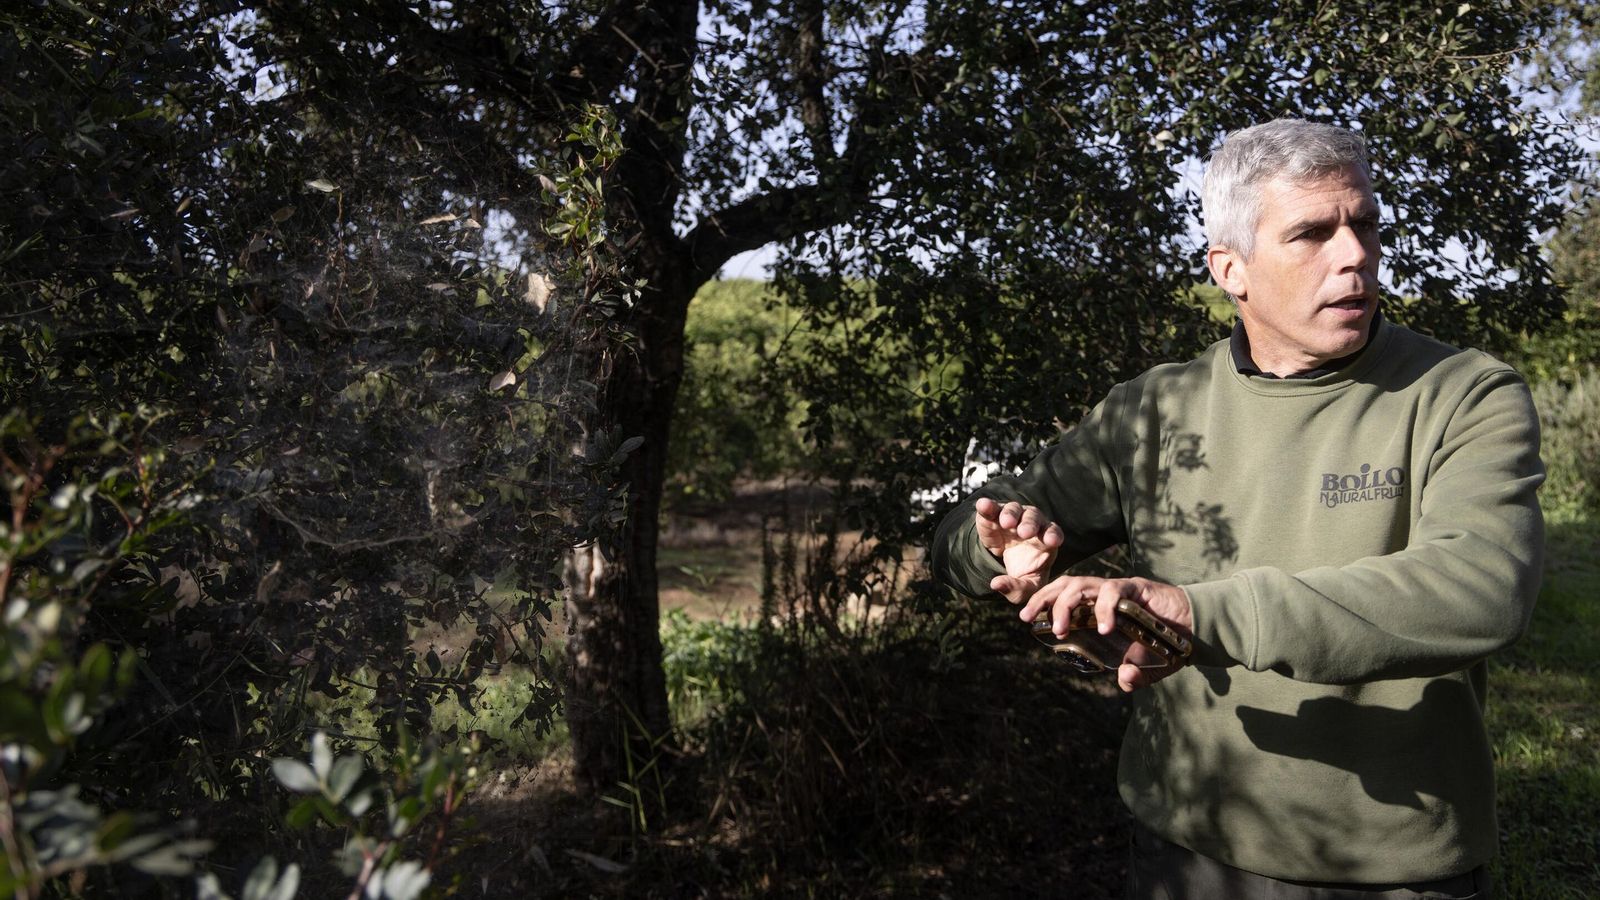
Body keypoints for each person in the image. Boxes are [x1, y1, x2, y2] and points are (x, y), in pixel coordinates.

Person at [929, 119, 1542, 898]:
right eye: (1312, 234)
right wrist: (1000, 552)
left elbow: (1480, 587)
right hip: (1187, 847)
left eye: (1365, 225)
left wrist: (1196, 613)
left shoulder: (1463, 394)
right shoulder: (1155, 410)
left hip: (1393, 864)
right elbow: (955, 541)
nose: (1354, 255)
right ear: (1231, 269)